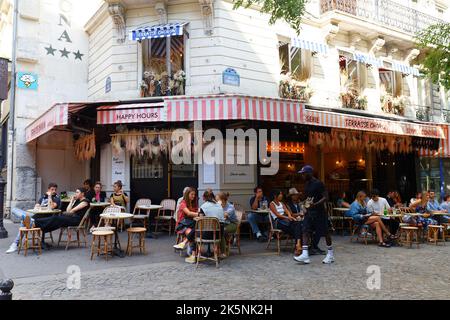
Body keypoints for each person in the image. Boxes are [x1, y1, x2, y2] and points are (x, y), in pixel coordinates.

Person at [294, 165, 334, 264]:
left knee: (325, 232)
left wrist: (315, 204)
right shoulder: (307, 184)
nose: (302, 175)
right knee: (305, 230)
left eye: (304, 173)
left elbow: (326, 197)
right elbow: (307, 198)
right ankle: (305, 254)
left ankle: (330, 254)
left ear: (310, 173)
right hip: (309, 212)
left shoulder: (319, 183)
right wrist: (302, 200)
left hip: (319, 212)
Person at [6, 183, 61, 253]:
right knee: (14, 210)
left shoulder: (57, 198)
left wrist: (50, 196)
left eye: (55, 190)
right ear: (48, 189)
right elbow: (37, 205)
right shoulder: (43, 197)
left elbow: (52, 207)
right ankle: (27, 219)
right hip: (35, 216)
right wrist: (37, 206)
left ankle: (15, 244)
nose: (54, 191)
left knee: (24, 223)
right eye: (52, 189)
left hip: (44, 219)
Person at [269, 189, 303, 256]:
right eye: (280, 194)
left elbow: (287, 211)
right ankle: (298, 246)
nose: (281, 195)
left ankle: (298, 245)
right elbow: (277, 215)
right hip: (278, 222)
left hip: (285, 220)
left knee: (298, 224)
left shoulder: (282, 203)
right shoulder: (271, 204)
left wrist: (290, 216)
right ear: (275, 196)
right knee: (296, 228)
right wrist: (288, 217)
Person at [173, 187, 201, 263]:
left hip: (191, 224)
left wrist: (198, 214)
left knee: (195, 229)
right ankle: (194, 254)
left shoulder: (194, 203)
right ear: (187, 194)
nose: (193, 196)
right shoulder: (183, 203)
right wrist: (199, 214)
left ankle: (185, 244)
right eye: (192, 194)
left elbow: (195, 213)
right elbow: (188, 213)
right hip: (182, 224)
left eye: (194, 194)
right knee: (193, 232)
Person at [216, 192, 238, 257]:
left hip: (232, 224)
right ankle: (220, 248)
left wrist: (218, 208)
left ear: (222, 200)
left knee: (221, 230)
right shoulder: (218, 206)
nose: (216, 202)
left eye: (217, 200)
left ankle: (223, 252)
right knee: (216, 230)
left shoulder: (230, 207)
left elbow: (225, 215)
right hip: (222, 224)